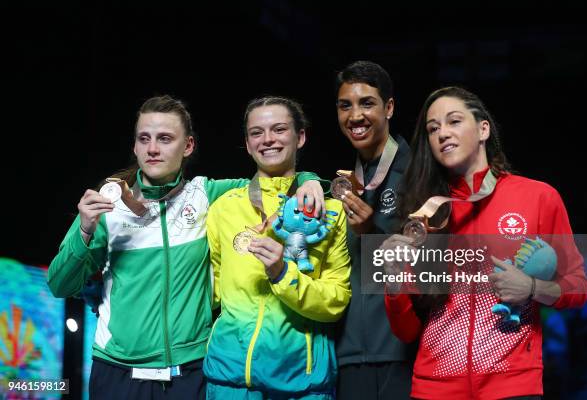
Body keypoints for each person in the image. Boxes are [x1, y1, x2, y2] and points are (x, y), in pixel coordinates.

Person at [47, 95, 325, 399]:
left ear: (188, 145)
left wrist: (309, 180)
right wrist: (85, 229)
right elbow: (60, 285)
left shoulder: (209, 195)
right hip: (117, 374)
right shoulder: (108, 205)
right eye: (145, 139)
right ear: (135, 147)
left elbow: (274, 181)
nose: (153, 148)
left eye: (165, 138)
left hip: (189, 376)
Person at [383, 87, 587, 399]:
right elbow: (406, 330)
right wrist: (394, 279)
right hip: (434, 387)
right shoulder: (424, 214)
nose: (442, 134)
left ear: (483, 129)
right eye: (433, 128)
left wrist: (532, 287)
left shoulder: (538, 197)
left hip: (512, 384)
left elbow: (578, 287)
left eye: (453, 121)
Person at [203, 96, 351, 399]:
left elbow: (337, 301)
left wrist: (284, 274)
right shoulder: (224, 208)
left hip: (303, 381)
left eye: (279, 129)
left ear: (301, 137)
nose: (268, 139)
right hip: (230, 379)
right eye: (257, 132)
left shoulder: (330, 209)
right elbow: (210, 291)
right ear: (247, 143)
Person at [333, 60, 416, 400]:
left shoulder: (418, 174)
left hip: (402, 354)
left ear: (389, 107)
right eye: (345, 106)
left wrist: (370, 233)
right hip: (350, 356)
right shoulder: (345, 183)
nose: (355, 116)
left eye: (367, 103)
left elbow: (435, 263)